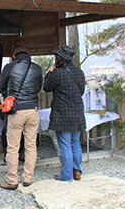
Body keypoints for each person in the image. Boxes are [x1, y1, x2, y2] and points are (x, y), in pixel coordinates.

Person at [0, 47, 43, 190]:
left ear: (14, 56)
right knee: (31, 146)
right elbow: (38, 87)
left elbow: (2, 85)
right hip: (33, 109)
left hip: (16, 110)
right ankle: (28, 179)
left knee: (13, 147)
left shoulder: (10, 67)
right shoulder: (37, 68)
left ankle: (12, 180)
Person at [43, 45, 86, 182]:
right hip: (78, 112)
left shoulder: (57, 73)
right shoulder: (79, 72)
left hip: (63, 113)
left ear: (59, 58)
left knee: (65, 145)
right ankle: (76, 172)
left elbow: (46, 87)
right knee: (75, 143)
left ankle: (66, 175)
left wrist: (49, 72)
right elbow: (81, 92)